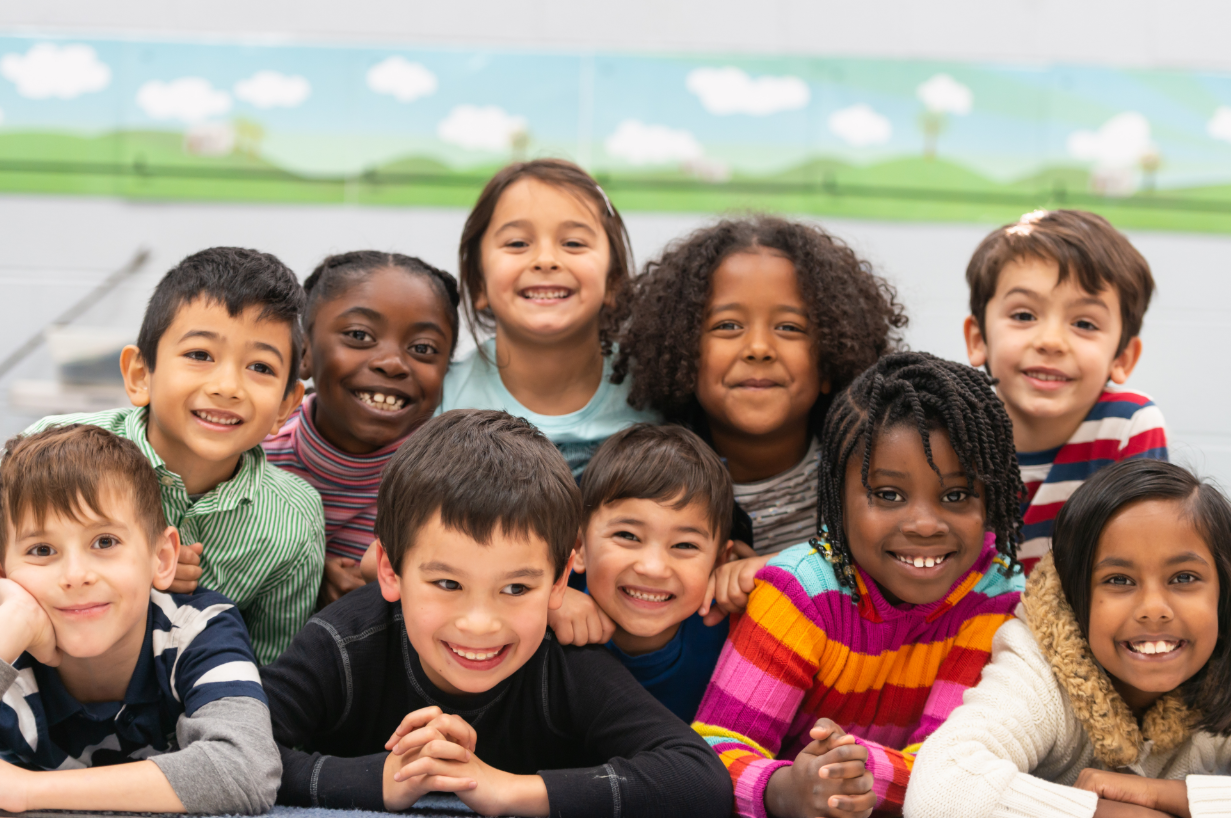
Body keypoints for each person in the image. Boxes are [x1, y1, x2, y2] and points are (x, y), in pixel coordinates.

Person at [259, 410, 732, 818]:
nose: (479, 623)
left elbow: (697, 779)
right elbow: (238, 748)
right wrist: (380, 779)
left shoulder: (561, 659)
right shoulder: (346, 643)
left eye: (516, 588)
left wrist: (506, 789)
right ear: (390, 569)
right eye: (448, 584)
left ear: (560, 580)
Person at [693, 352, 1026, 818]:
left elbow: (953, 769)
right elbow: (712, 751)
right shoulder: (800, 591)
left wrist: (852, 772)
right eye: (888, 495)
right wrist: (787, 788)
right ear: (837, 497)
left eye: (956, 495)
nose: (925, 524)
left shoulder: (995, 592)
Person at [26, 247, 325, 664]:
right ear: (140, 374)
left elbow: (267, 669)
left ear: (285, 407)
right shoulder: (47, 450)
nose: (228, 386)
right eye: (200, 355)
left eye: (260, 367)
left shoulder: (293, 520)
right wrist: (129, 572)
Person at [612, 215, 907, 617]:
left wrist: (786, 573)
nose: (758, 348)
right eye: (728, 325)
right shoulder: (642, 476)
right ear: (682, 353)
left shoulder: (871, 474)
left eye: (788, 327)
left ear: (830, 362)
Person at [905, 459, 1231, 818]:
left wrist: (1162, 796)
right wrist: (1107, 813)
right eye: (1119, 580)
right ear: (1073, 595)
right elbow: (940, 788)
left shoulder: (1223, 660)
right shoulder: (1040, 666)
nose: (1154, 610)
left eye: (1183, 578)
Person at [0, 425, 279, 814]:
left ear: (162, 559)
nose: (76, 575)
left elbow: (245, 770)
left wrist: (25, 790)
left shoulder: (197, 628)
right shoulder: (8, 644)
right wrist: (10, 625)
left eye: (105, 542)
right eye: (42, 549)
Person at [963, 209, 1167, 573]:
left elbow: (1139, 565)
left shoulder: (1126, 426)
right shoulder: (952, 433)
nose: (1051, 341)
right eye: (1024, 315)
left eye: (1084, 323)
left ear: (1122, 357)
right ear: (979, 339)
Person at [438, 158, 658, 476]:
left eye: (573, 243)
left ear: (613, 281)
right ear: (478, 283)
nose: (545, 260)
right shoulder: (443, 401)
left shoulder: (656, 394)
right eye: (517, 243)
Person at [262, 251, 459, 605]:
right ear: (303, 351)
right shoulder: (249, 455)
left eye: (423, 348)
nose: (392, 363)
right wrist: (300, 569)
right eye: (359, 335)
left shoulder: (454, 483)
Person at [550, 423, 734, 723]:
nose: (653, 568)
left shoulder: (735, 633)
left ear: (719, 562)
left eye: (685, 544)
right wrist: (543, 601)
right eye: (628, 536)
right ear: (579, 546)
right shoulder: (549, 615)